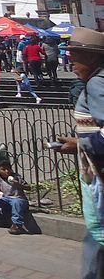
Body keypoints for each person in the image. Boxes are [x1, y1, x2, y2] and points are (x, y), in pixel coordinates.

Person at [53, 27, 104, 279]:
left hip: (99, 173)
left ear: (92, 57)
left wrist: (80, 145)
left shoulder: (97, 83)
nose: (70, 62)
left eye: (75, 56)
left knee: (98, 234)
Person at [0, 159, 29, 234]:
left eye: (8, 169)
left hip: (18, 199)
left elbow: (28, 187)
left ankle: (17, 225)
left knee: (16, 202)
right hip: (6, 199)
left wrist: (18, 185)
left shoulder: (16, 177)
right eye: (3, 169)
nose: (7, 171)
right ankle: (0, 220)